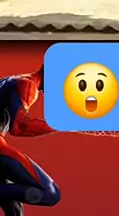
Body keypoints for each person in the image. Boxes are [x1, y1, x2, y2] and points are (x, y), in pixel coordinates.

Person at [0, 64, 60, 215]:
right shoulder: (27, 85)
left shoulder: (10, 81)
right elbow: (20, 126)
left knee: (15, 211)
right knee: (50, 193)